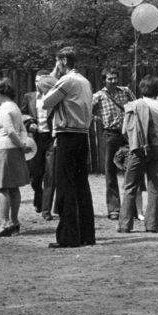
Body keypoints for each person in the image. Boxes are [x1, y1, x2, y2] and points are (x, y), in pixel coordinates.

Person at [40, 47, 95, 248]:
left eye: (57, 61)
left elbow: (46, 102)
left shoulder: (67, 80)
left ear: (63, 60)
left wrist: (54, 73)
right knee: (82, 186)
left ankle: (68, 236)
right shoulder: (85, 81)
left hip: (67, 135)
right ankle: (87, 234)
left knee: (65, 186)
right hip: (82, 135)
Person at [118, 75, 158, 232]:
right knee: (154, 186)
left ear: (142, 89)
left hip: (138, 150)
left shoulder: (133, 105)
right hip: (156, 150)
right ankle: (152, 225)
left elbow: (124, 131)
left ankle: (124, 225)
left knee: (130, 186)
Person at [0, 78, 29, 237]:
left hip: (4, 149)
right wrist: (22, 144)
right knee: (13, 187)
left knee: (2, 186)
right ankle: (14, 221)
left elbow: (11, 131)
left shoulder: (5, 108)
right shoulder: (14, 107)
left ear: (3, 93)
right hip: (13, 149)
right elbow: (22, 129)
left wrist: (21, 145)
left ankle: (5, 222)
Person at [93, 69, 132, 221]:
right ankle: (114, 208)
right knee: (110, 171)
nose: (113, 81)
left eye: (115, 78)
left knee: (130, 169)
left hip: (127, 134)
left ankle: (132, 207)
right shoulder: (98, 96)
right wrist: (97, 118)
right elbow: (86, 110)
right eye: (110, 79)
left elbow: (135, 107)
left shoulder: (126, 91)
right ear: (104, 80)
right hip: (110, 134)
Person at [29, 65, 58, 216]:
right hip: (35, 139)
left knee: (50, 174)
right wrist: (29, 124)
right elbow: (23, 115)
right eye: (35, 81)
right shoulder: (29, 97)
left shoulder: (55, 98)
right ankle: (38, 198)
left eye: (40, 81)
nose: (37, 84)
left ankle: (46, 210)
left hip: (51, 139)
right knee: (35, 176)